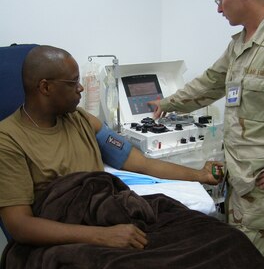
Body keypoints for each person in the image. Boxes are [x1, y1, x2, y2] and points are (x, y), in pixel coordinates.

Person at [0, 45, 222, 250]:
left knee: (213, 234)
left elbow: (140, 163)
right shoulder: (8, 140)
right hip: (73, 239)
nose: (80, 88)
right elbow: (20, 226)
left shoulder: (82, 120)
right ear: (45, 87)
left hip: (110, 216)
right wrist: (102, 236)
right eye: (72, 83)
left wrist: (199, 175)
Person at [148, 0, 264, 260]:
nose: (218, 8)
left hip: (261, 183)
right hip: (234, 176)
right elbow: (210, 83)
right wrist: (167, 103)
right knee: (235, 259)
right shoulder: (239, 45)